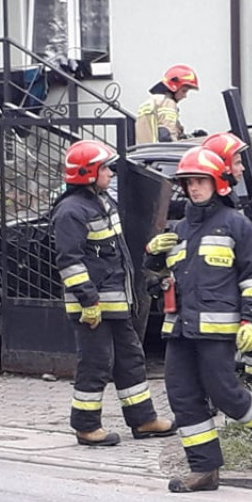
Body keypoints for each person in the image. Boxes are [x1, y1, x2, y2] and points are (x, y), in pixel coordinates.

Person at [144, 147, 252, 493]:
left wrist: (250, 320)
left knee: (224, 393)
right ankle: (204, 469)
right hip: (180, 329)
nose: (193, 188)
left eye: (200, 181)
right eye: (188, 182)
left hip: (218, 330)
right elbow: (161, 279)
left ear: (218, 183)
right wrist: (152, 259)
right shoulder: (180, 229)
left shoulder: (236, 225)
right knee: (182, 397)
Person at [52, 139, 176, 446]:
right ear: (89, 173)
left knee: (130, 359)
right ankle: (85, 426)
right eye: (104, 167)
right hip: (92, 306)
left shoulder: (102, 201)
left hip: (116, 302)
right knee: (96, 364)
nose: (110, 172)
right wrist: (88, 300)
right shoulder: (71, 211)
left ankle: (144, 420)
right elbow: (69, 261)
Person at [201, 131, 252, 382]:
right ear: (221, 167)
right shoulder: (215, 215)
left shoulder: (228, 208)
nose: (242, 168)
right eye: (237, 162)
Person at [135, 64, 199, 143]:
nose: (185, 96)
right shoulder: (167, 103)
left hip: (145, 151)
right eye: (184, 91)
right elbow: (168, 134)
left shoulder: (153, 101)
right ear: (174, 87)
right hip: (162, 153)